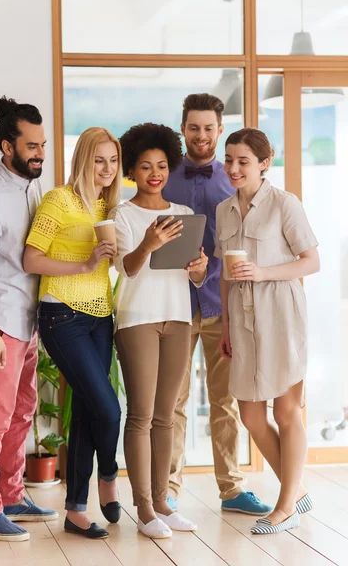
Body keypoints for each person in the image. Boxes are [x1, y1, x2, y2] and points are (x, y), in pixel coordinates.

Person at [163, 93, 272, 515]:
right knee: (172, 401)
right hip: (173, 301)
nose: (201, 135)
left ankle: (230, 489)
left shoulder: (235, 176)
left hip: (222, 304)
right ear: (183, 128)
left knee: (225, 401)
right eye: (194, 127)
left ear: (219, 130)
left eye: (209, 128)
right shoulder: (163, 176)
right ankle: (168, 490)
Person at [216, 127, 320, 534]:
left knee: (286, 410)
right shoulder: (225, 211)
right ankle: (295, 492)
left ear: (264, 163)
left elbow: (311, 261)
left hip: (282, 313)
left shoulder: (284, 203)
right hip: (241, 321)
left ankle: (284, 506)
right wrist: (225, 324)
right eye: (229, 160)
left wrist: (262, 273)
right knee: (251, 415)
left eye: (243, 161)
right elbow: (226, 274)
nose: (234, 168)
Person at [0, 96, 58, 542]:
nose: (40, 152)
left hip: (27, 318)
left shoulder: (29, 184)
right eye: (31, 146)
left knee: (22, 412)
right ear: (7, 146)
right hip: (0, 322)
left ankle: (12, 494)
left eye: (42, 144)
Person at [24, 127, 123, 539]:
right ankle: (110, 478)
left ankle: (76, 510)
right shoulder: (58, 200)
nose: (107, 168)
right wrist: (84, 265)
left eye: (113, 161)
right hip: (61, 315)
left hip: (101, 317)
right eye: (99, 160)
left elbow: (113, 264)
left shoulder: (109, 206)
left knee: (85, 410)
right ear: (83, 159)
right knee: (109, 408)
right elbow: (32, 259)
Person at [110, 123, 208, 539]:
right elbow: (126, 269)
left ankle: (164, 502)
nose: (155, 173)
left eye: (163, 165)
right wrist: (148, 244)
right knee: (142, 416)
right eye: (146, 166)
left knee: (166, 417)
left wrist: (200, 270)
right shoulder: (123, 214)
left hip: (179, 318)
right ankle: (145, 509)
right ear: (131, 169)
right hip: (137, 320)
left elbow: (195, 277)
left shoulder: (184, 215)